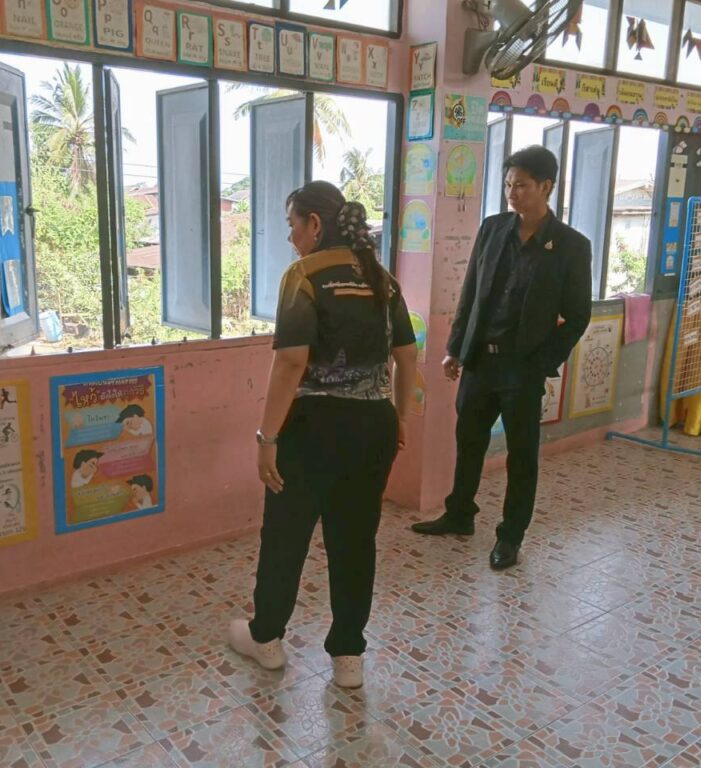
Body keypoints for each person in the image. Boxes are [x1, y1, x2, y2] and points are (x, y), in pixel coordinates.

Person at [228, 181, 417, 689]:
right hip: (374, 426)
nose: (290, 236)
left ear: (314, 224)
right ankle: (349, 655)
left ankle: (267, 640)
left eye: (292, 224)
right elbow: (407, 356)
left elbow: (292, 362)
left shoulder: (304, 275)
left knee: (286, 535)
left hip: (312, 429)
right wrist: (399, 416)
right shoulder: (381, 277)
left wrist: (267, 437)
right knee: (355, 540)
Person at [411, 145, 592, 570]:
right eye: (509, 184)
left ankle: (510, 536)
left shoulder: (570, 245)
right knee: (469, 442)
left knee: (521, 456)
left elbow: (578, 316)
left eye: (522, 185)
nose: (513, 193)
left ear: (546, 186)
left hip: (522, 368)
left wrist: (541, 361)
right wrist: (456, 348)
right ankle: (459, 514)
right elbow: (471, 292)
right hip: (480, 361)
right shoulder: (493, 229)